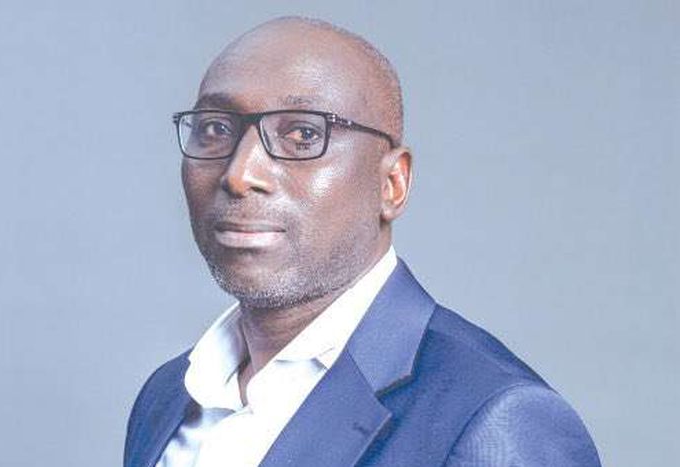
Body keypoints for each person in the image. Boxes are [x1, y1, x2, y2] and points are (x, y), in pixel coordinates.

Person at [124, 16, 601, 467]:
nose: (241, 173)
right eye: (215, 129)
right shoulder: (167, 396)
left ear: (392, 183)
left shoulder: (498, 419)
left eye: (303, 134)